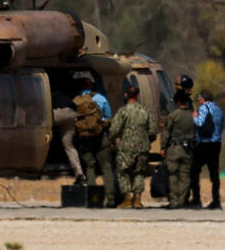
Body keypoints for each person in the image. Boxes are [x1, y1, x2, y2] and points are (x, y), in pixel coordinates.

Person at [109, 85, 156, 209]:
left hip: (126, 147)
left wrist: (111, 139)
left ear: (126, 95)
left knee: (123, 171)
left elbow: (114, 129)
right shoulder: (145, 111)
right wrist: (147, 141)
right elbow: (153, 131)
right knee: (139, 172)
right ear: (138, 95)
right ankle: (138, 199)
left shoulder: (123, 111)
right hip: (142, 147)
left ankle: (128, 198)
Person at [74, 77, 116, 206]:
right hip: (100, 137)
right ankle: (110, 199)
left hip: (84, 139)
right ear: (92, 86)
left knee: (90, 167)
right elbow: (108, 116)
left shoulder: (76, 101)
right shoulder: (100, 98)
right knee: (106, 167)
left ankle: (93, 199)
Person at [161, 89, 195, 209]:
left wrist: (163, 147)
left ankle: (174, 201)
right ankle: (182, 200)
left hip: (174, 149)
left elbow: (166, 132)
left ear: (177, 101)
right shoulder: (193, 115)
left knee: (173, 174)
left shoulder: (173, 115)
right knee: (185, 176)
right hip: (188, 149)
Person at [192, 89, 224, 209]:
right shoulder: (219, 110)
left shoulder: (203, 108)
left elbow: (200, 123)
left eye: (198, 99)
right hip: (216, 144)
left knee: (194, 171)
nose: (198, 102)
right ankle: (216, 200)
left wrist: (194, 117)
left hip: (204, 144)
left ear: (202, 99)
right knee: (214, 173)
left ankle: (196, 199)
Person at [52, 89, 83, 184]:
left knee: (40, 129)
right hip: (72, 114)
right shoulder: (62, 95)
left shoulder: (48, 92)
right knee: (69, 145)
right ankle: (79, 173)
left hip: (59, 112)